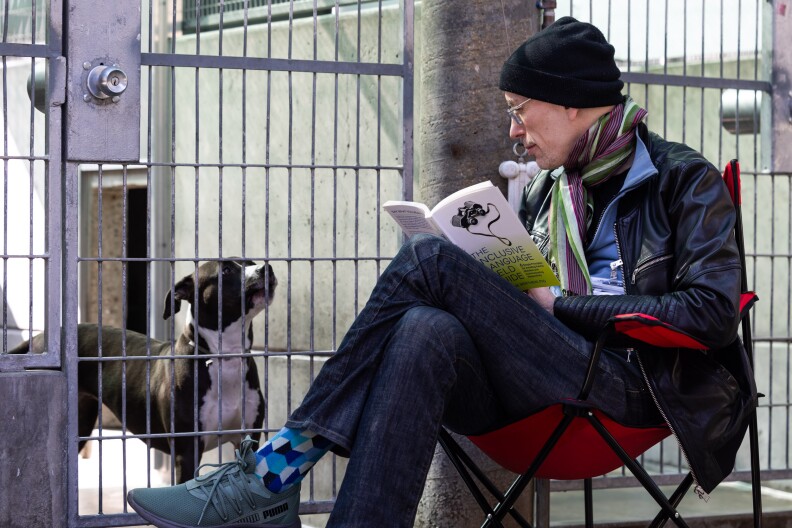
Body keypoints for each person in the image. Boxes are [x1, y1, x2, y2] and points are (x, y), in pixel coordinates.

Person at [127, 16, 755, 528]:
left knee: (428, 261)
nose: (514, 131)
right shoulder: (544, 192)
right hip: (542, 375)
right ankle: (293, 488)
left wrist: (560, 306)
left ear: (569, 104)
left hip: (634, 384)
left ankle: (273, 471)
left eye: (521, 109)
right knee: (425, 327)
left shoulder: (682, 179)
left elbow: (710, 313)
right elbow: (520, 298)